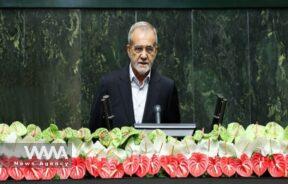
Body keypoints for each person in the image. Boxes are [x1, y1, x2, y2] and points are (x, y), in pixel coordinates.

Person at [89, 21, 180, 132]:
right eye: (138, 49)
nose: (143, 55)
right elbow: (95, 134)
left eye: (149, 49)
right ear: (128, 50)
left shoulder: (167, 88)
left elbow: (175, 137)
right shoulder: (108, 84)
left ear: (156, 51)